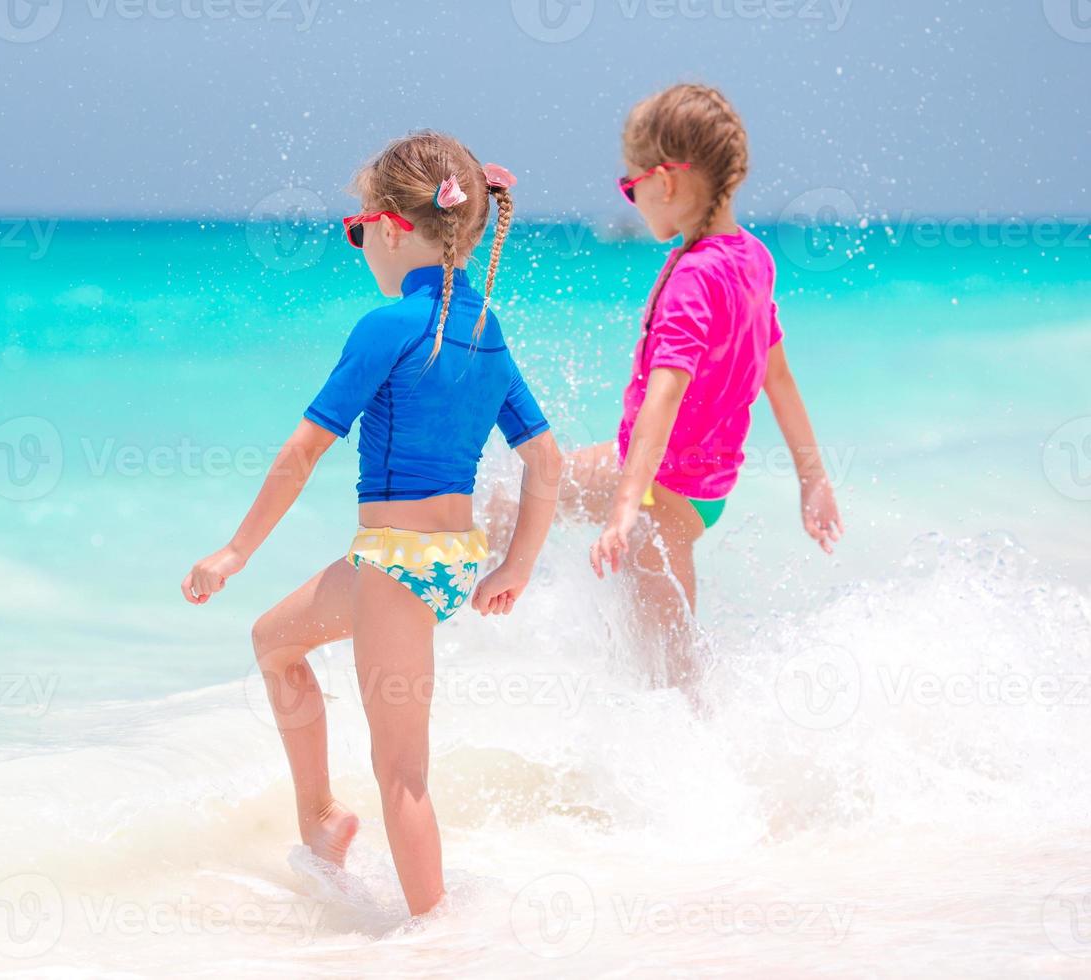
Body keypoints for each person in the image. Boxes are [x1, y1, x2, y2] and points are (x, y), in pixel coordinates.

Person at [181, 131, 561, 916]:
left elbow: (301, 452)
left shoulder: (387, 326)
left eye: (357, 231)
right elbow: (546, 462)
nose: (359, 246)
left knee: (404, 774)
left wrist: (234, 550)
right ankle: (320, 819)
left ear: (389, 227)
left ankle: (437, 936)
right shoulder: (486, 328)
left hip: (395, 563)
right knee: (274, 642)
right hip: (447, 563)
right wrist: (515, 568)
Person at [560, 83, 843, 687]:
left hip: (661, 495)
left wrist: (624, 510)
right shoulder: (753, 260)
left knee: (672, 679)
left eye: (628, 184)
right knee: (535, 487)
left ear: (665, 181)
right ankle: (471, 576)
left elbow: (665, 396)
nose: (630, 198)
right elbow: (780, 377)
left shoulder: (694, 277)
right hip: (692, 488)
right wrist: (813, 478)